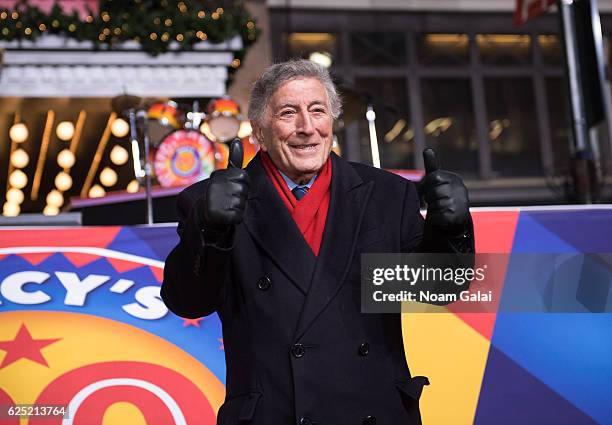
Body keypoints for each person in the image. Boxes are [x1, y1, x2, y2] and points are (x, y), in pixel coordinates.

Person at [162, 59, 474, 425]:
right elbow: (188, 302)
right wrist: (210, 228)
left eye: (317, 111)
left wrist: (451, 228)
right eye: (288, 113)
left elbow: (437, 289)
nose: (306, 128)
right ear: (259, 131)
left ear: (332, 121)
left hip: (373, 411)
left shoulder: (387, 195)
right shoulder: (210, 200)